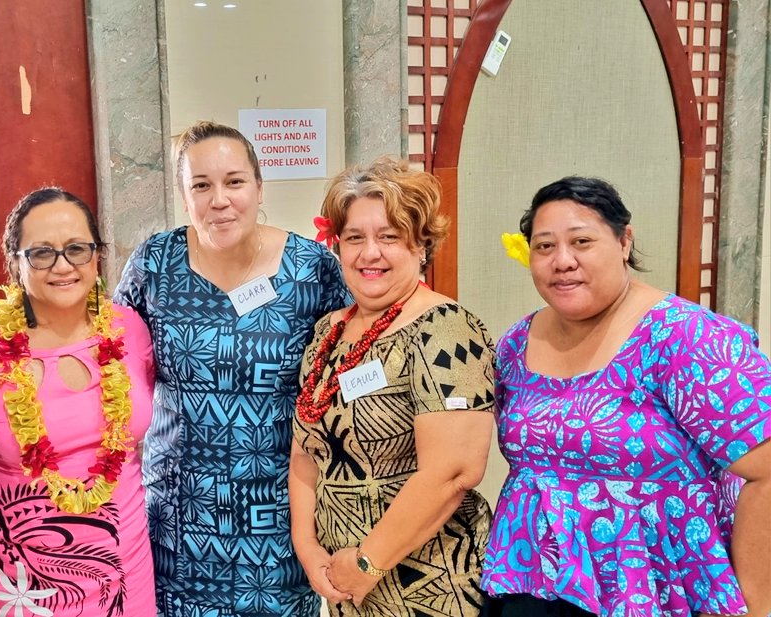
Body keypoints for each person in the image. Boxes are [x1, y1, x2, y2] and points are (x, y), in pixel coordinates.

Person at [480, 176, 771, 617]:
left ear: (623, 241)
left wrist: (756, 606)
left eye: (582, 241)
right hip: (532, 583)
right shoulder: (516, 343)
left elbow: (766, 472)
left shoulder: (688, 337)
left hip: (658, 587)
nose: (563, 261)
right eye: (544, 247)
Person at [113, 120, 351, 616]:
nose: (219, 199)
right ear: (184, 196)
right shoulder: (154, 266)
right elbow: (110, 365)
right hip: (179, 525)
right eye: (201, 185)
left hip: (281, 525)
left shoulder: (312, 270)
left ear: (259, 188)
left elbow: (349, 373)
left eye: (234, 181)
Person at [289, 158, 496, 617]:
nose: (369, 253)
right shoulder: (328, 332)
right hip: (344, 583)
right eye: (355, 238)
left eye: (389, 236)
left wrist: (367, 562)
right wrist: (308, 549)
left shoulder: (446, 330)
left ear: (422, 246)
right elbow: (305, 451)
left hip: (431, 584)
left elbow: (454, 471)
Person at [0, 188, 156, 616]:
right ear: (14, 262)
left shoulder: (131, 331)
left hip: (126, 574)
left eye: (77, 249)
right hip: (20, 585)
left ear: (97, 256)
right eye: (41, 253)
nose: (62, 266)